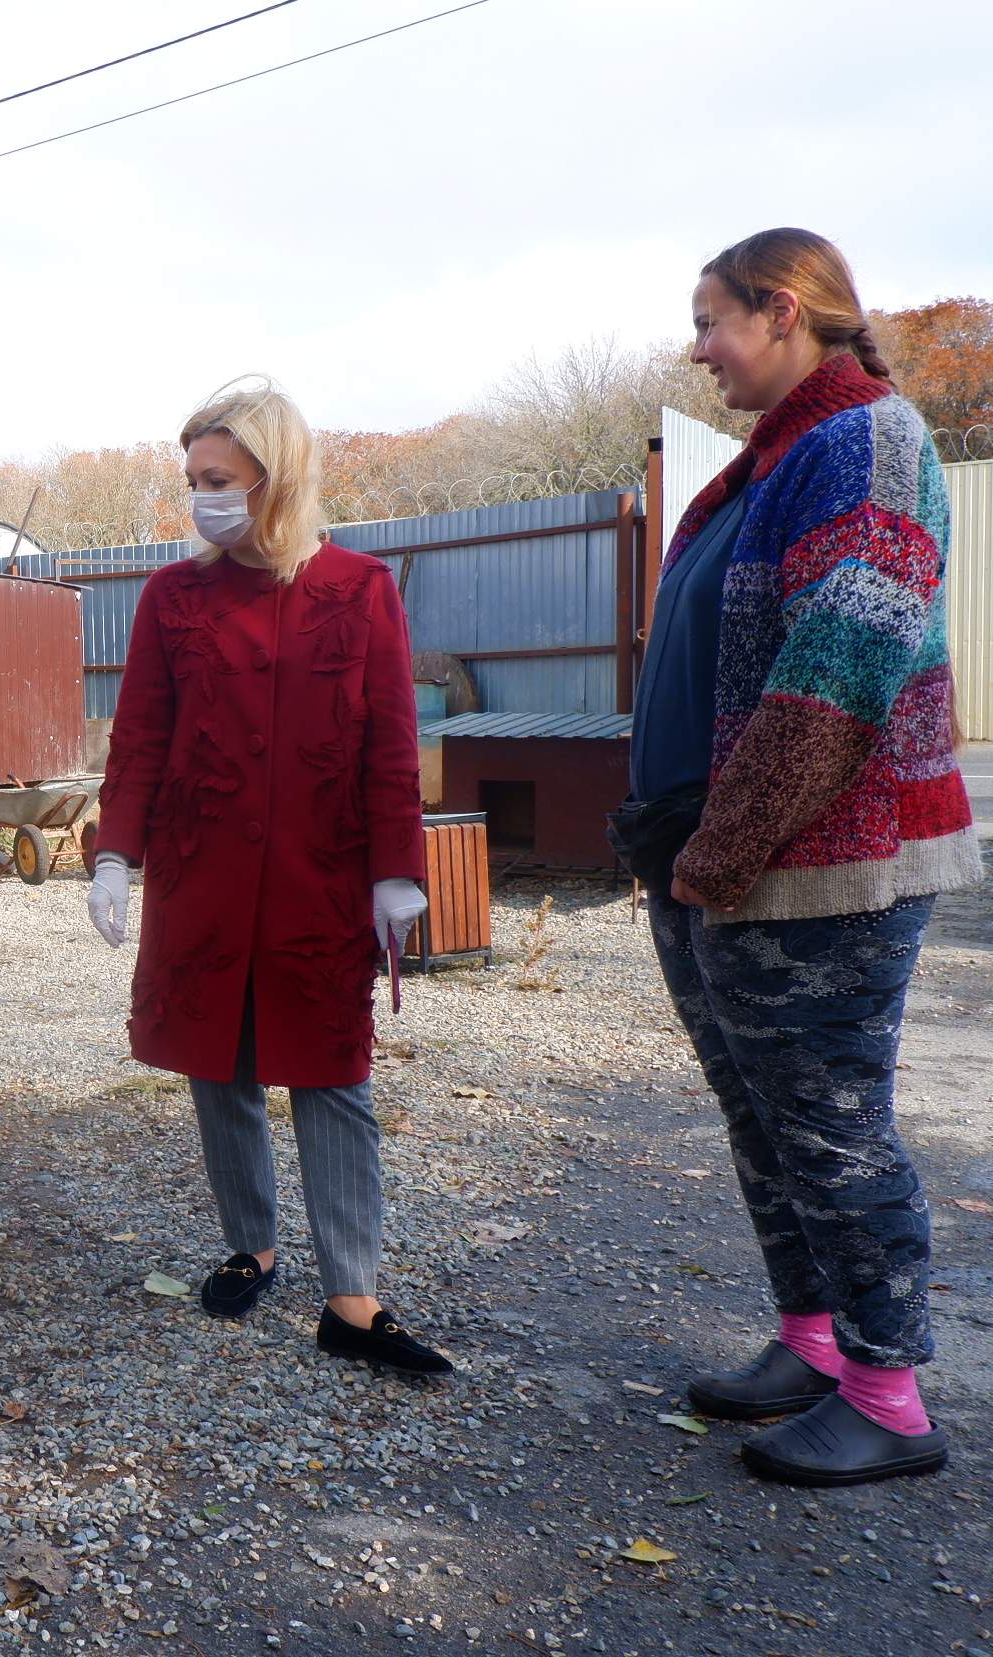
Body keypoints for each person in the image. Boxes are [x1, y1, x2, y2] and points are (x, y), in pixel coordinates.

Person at [620, 228, 977, 1487]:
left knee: (831, 1127)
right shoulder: (769, 457)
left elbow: (837, 675)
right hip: (717, 859)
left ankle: (885, 1396)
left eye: (709, 320)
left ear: (780, 311)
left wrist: (718, 849)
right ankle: (813, 1343)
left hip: (812, 863)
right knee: (760, 1117)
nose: (697, 348)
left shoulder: (863, 440)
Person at [90, 377, 447, 1375]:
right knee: (221, 1062)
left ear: (274, 479)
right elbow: (141, 740)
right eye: (191, 477)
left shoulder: (357, 589)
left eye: (219, 478)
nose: (200, 494)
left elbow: (386, 742)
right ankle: (249, 1246)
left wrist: (394, 870)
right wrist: (114, 851)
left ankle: (351, 1296)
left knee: (331, 1073)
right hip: (202, 873)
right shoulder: (172, 597)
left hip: (316, 878)